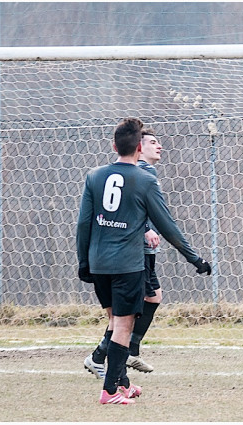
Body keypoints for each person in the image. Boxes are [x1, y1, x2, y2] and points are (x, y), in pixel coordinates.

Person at [77, 117, 212, 404]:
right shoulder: (145, 179)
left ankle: (122, 383)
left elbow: (84, 224)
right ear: (139, 148)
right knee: (124, 327)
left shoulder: (94, 176)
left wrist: (83, 263)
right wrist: (194, 258)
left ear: (114, 146)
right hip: (128, 265)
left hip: (98, 263)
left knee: (115, 322)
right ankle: (110, 391)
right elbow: (168, 227)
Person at [83, 127, 165, 379]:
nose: (159, 146)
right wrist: (146, 230)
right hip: (129, 255)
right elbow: (129, 210)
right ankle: (109, 358)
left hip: (129, 254)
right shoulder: (137, 173)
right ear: (139, 147)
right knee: (127, 312)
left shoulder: (146, 172)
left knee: (149, 300)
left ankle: (117, 355)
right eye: (152, 142)